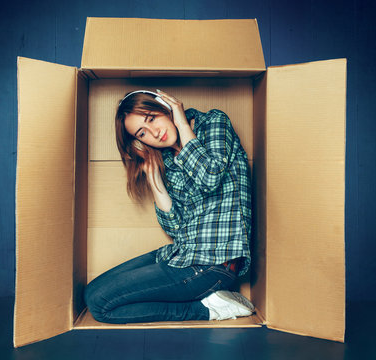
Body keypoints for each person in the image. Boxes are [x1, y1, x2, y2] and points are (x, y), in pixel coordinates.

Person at [84, 89, 254, 324]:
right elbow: (174, 228)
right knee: (92, 293)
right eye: (142, 132)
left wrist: (182, 124)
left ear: (166, 107)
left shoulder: (213, 122)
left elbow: (210, 176)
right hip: (182, 254)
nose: (154, 132)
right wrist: (153, 175)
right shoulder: (165, 160)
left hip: (214, 264)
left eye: (151, 118)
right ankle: (209, 299)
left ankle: (208, 310)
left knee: (100, 304)